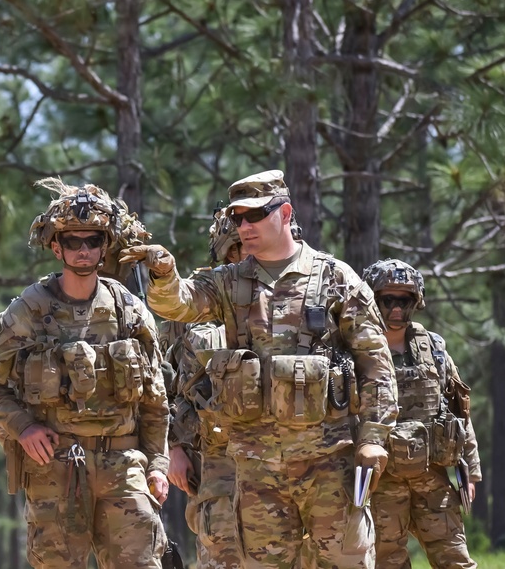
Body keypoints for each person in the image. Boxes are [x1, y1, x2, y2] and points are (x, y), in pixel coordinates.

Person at [122, 169, 398, 569]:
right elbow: (178, 304)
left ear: (284, 213)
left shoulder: (335, 278)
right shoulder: (229, 282)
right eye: (237, 218)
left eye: (255, 215)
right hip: (255, 467)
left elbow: (375, 362)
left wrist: (373, 437)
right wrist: (164, 275)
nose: (244, 226)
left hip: (329, 462)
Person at [0, 178, 169, 569]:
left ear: (105, 246)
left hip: (124, 466)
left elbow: (154, 398)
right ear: (55, 246)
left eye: (93, 241)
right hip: (56, 470)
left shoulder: (128, 309)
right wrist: (22, 427)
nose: (84, 251)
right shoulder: (29, 310)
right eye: (72, 241)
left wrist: (158, 464)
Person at [362, 259, 480, 569]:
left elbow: (459, 411)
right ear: (372, 299)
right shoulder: (356, 350)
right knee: (386, 561)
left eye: (404, 300)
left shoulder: (434, 348)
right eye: (387, 299)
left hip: (434, 477)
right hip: (381, 482)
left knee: (454, 559)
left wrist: (471, 472)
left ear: (417, 301)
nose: (396, 308)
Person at [162, 208, 243, 569]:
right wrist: (174, 448)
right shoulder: (195, 301)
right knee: (221, 552)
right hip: (215, 459)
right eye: (237, 247)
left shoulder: (293, 296)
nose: (248, 253)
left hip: (288, 454)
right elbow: (165, 382)